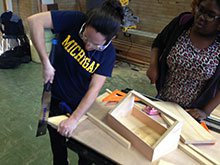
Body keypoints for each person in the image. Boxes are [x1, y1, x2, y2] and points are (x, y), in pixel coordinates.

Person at [27, 0, 123, 164]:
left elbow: (94, 89)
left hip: (80, 106)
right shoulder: (75, 19)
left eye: (96, 44)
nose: (87, 46)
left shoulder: (108, 55)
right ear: (85, 24)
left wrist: (74, 118)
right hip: (52, 95)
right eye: (85, 37)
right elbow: (34, 20)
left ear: (110, 39)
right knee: (57, 148)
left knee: (84, 153)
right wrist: (45, 62)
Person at [147, 0, 220, 121]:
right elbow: (159, 42)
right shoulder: (182, 23)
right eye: (200, 9)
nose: (201, 17)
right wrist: (153, 65)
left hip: (193, 112)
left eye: (210, 15)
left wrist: (205, 111)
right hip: (164, 100)